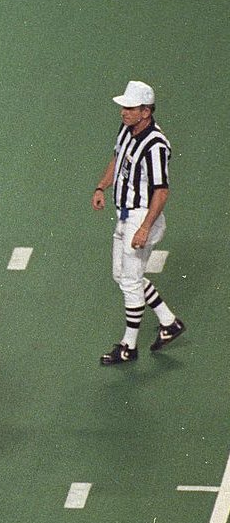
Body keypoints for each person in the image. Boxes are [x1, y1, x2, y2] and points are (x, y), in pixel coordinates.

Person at [92, 80, 185, 365]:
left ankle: (128, 346)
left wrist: (144, 227)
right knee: (121, 276)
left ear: (145, 111)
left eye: (129, 108)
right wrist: (101, 187)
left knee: (130, 281)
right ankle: (169, 323)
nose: (123, 112)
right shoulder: (127, 130)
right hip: (124, 216)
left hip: (141, 217)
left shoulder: (156, 145)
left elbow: (162, 190)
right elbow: (117, 160)